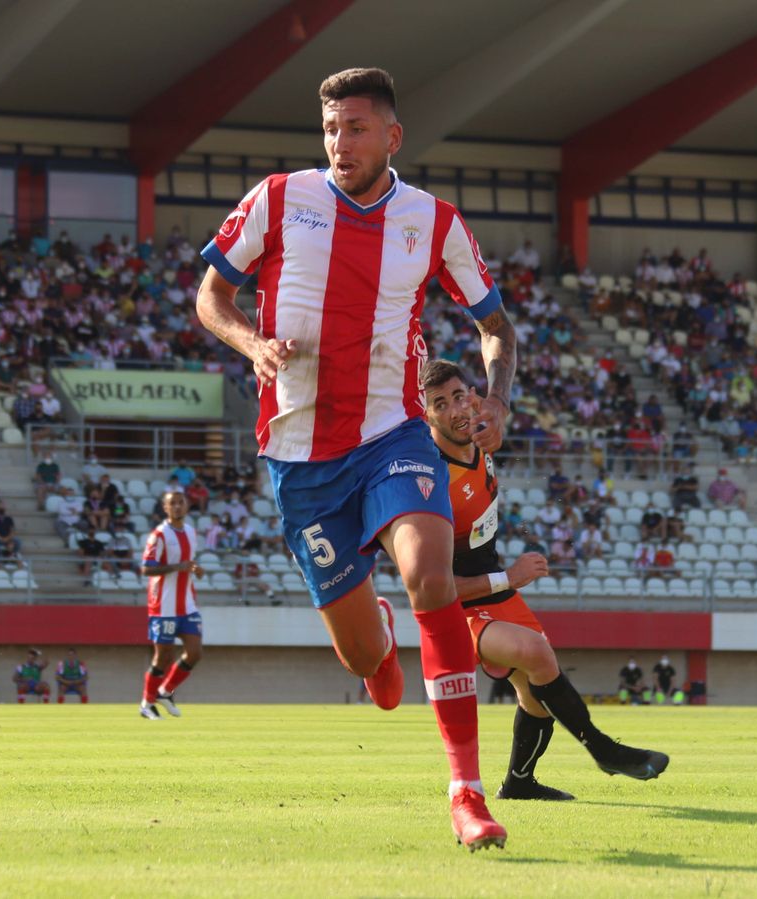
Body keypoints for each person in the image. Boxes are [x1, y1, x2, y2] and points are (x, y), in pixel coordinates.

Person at [194, 67, 516, 847]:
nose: (341, 143)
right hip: (301, 457)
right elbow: (211, 296)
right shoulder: (278, 198)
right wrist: (253, 344)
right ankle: (371, 635)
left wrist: (498, 397)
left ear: (393, 137)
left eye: (358, 128)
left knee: (431, 577)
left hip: (392, 435)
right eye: (332, 129)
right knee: (365, 657)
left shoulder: (433, 222)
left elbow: (497, 327)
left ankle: (466, 792)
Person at [422, 362, 668, 798]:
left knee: (538, 691)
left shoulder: (481, 441)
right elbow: (435, 587)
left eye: (459, 396)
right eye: (440, 404)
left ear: (474, 396)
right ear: (427, 416)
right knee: (534, 652)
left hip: (495, 585)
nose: (455, 409)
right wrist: (509, 577)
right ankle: (604, 750)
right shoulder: (431, 479)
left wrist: (504, 578)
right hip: (455, 604)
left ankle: (519, 783)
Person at [139, 489, 205, 719]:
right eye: (172, 503)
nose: (177, 506)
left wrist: (196, 569)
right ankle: (147, 704)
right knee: (163, 657)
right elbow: (146, 568)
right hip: (164, 605)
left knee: (194, 652)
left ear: (186, 506)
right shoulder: (159, 535)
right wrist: (178, 567)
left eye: (180, 502)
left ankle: (165, 692)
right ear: (165, 508)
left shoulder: (190, 532)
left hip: (187, 604)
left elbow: (188, 563)